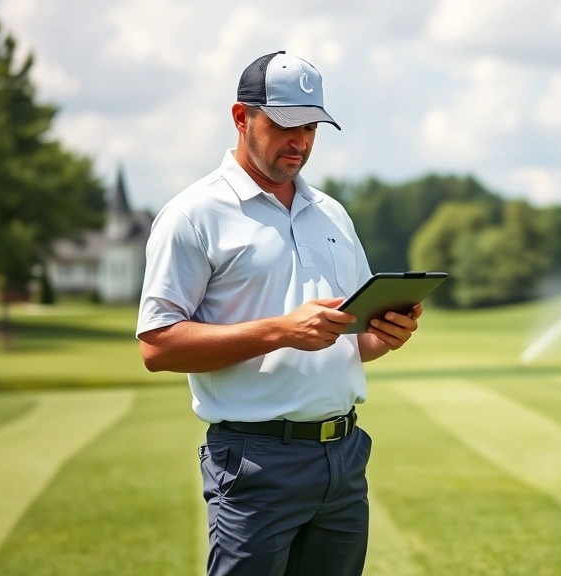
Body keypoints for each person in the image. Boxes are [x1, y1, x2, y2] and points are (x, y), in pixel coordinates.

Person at [135, 50, 420, 576]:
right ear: (242, 118)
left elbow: (355, 340)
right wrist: (281, 332)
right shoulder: (191, 216)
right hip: (254, 463)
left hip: (343, 457)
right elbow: (157, 345)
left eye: (312, 126)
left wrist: (387, 333)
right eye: (286, 124)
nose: (302, 141)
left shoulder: (331, 212)